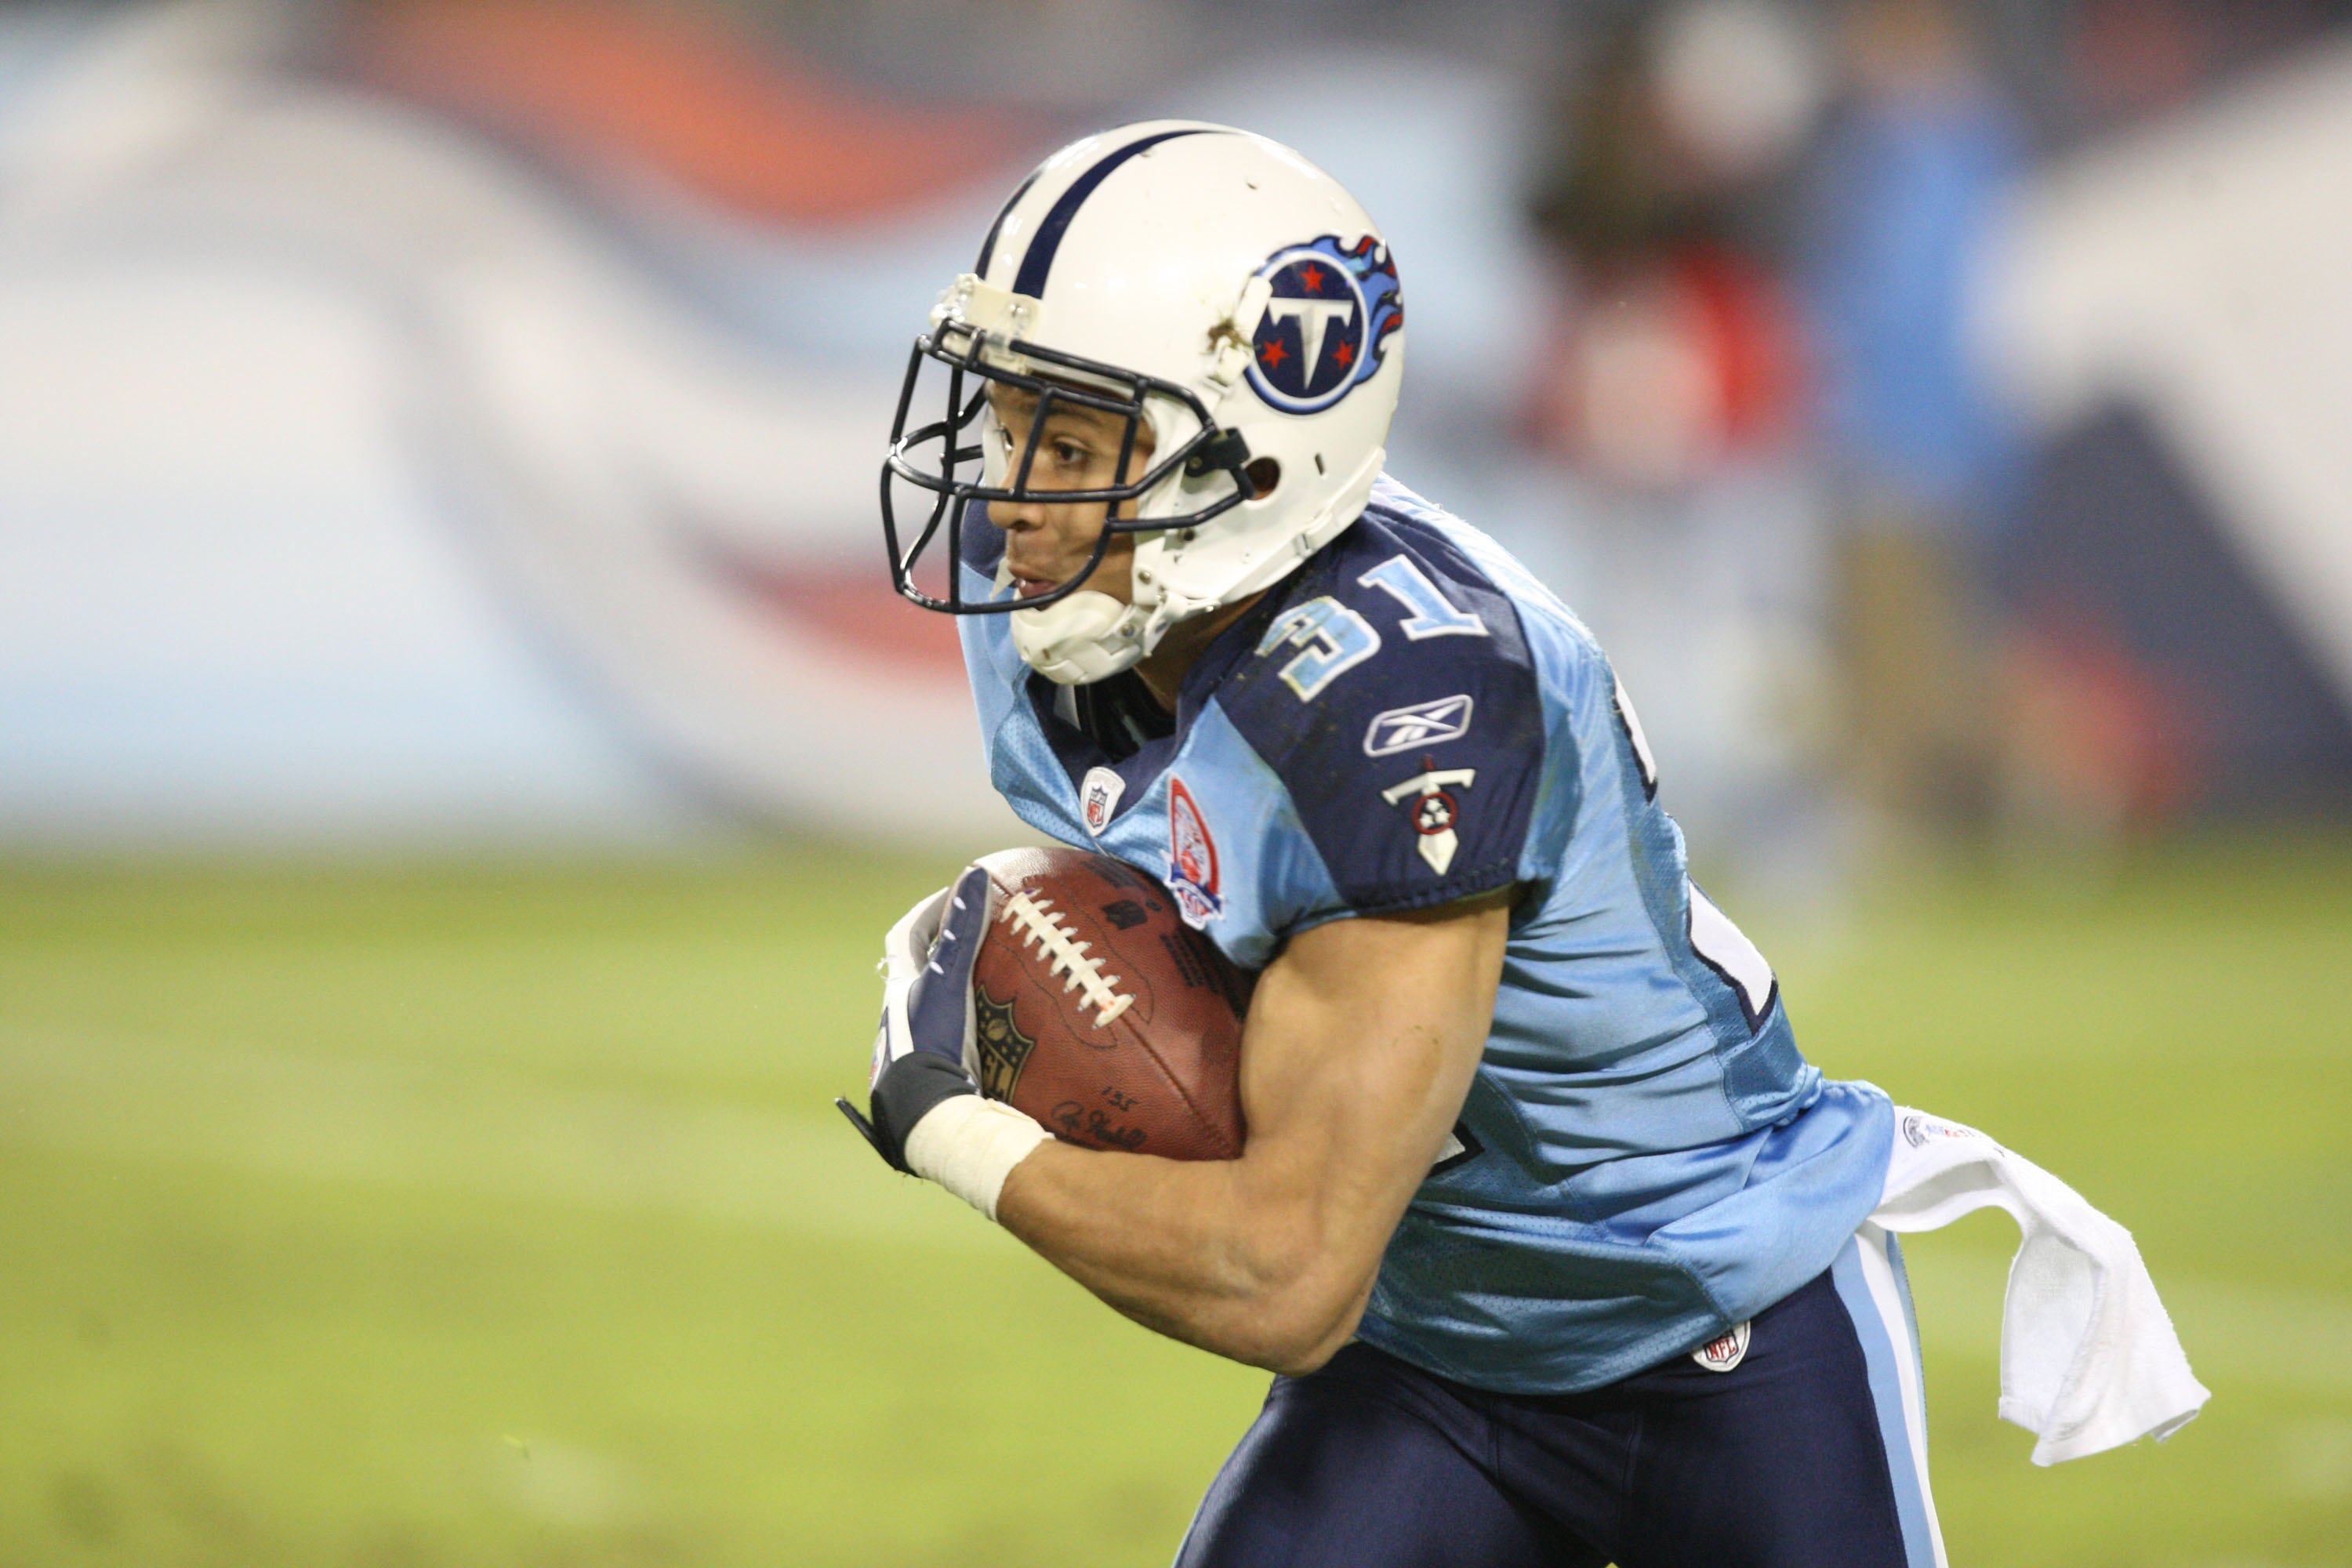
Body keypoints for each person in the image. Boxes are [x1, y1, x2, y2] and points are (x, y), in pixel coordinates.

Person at [844, 121, 1934, 1566]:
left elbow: (1288, 1275)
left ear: (1255, 444)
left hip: (1711, 1315)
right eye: (1009, 423)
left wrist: (957, 1132)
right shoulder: (1063, 606)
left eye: (1077, 440)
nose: (1010, 497)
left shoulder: (1410, 698)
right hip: (1438, 1342)